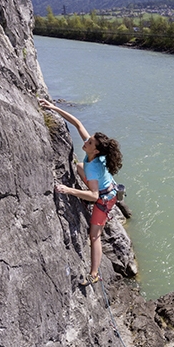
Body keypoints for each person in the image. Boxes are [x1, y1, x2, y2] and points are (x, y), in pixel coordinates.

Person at [39, 98, 123, 284]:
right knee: (78, 166)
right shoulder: (95, 154)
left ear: (96, 150)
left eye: (90, 143)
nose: (86, 142)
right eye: (89, 139)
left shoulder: (93, 168)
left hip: (104, 199)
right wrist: (53, 107)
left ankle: (94, 275)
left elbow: (94, 196)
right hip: (104, 187)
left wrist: (69, 190)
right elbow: (78, 123)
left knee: (94, 236)